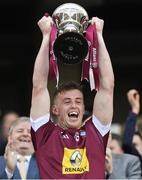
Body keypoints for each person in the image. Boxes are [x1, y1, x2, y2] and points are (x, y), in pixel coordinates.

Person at [30, 14, 114, 179]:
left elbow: (107, 87)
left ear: (83, 108)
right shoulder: (44, 134)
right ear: (55, 109)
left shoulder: (96, 132)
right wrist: (46, 36)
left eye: (78, 101)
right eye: (67, 102)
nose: (74, 106)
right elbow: (38, 88)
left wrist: (99, 37)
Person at [122, 89, 142, 170]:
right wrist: (135, 109)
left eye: (136, 145)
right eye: (134, 145)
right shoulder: (136, 160)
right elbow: (127, 143)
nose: (135, 148)